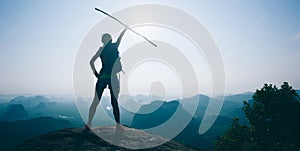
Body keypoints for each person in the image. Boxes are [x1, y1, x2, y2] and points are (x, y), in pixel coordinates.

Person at [84, 27, 127, 133]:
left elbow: (91, 62)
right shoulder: (114, 46)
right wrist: (125, 29)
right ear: (110, 39)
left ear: (103, 41)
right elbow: (120, 39)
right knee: (114, 102)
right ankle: (118, 126)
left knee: (95, 101)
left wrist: (96, 74)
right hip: (113, 77)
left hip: (102, 77)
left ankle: (89, 124)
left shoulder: (101, 50)